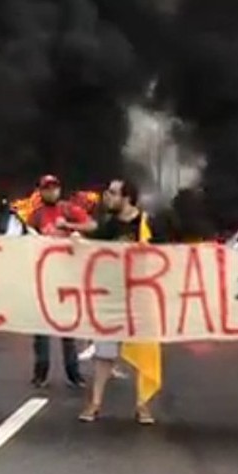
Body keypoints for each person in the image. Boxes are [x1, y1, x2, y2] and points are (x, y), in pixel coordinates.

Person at [76, 177, 155, 425]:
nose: (107, 197)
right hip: (111, 299)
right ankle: (95, 403)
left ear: (126, 197)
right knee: (104, 353)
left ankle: (143, 405)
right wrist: (79, 243)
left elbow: (164, 254)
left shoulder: (147, 224)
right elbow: (92, 246)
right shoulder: (109, 226)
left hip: (140, 298)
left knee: (143, 352)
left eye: (112, 193)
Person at [27, 174, 91, 388]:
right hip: (44, 277)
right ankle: (40, 372)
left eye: (54, 188)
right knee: (41, 329)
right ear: (41, 191)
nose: (51, 192)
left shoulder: (68, 209)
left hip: (67, 277)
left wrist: (71, 227)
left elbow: (91, 225)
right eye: (47, 188)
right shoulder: (35, 215)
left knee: (68, 328)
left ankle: (73, 373)